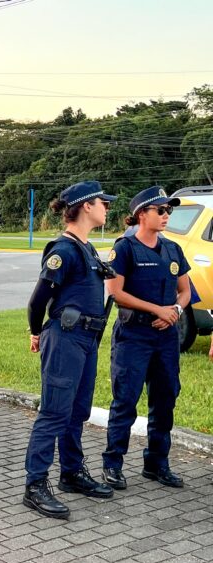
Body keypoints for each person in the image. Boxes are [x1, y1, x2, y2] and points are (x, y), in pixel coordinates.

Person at [23, 181, 117, 520]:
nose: (107, 207)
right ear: (85, 207)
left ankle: (71, 473)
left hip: (86, 340)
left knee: (77, 412)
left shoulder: (87, 248)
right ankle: (34, 486)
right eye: (102, 202)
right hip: (65, 339)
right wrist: (36, 332)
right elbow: (37, 301)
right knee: (54, 412)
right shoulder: (63, 250)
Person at [102, 186, 191, 489]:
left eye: (169, 210)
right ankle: (113, 464)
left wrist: (176, 311)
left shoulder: (173, 249)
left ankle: (156, 463)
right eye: (161, 210)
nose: (167, 216)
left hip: (166, 338)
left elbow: (186, 290)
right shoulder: (124, 248)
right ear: (142, 214)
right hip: (134, 334)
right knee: (125, 400)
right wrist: (158, 309)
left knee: (165, 399)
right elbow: (116, 293)